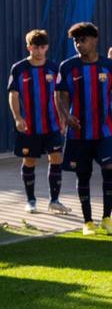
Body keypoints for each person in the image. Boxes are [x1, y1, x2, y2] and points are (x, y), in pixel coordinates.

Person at [55, 22, 112, 235]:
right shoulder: (67, 66)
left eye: (82, 40)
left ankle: (108, 218)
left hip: (105, 131)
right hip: (79, 133)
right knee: (83, 175)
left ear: (94, 40)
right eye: (75, 41)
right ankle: (87, 222)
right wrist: (66, 116)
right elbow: (60, 95)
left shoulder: (111, 66)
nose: (78, 44)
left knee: (110, 169)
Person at [8, 29, 67, 215]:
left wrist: (63, 118)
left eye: (42, 47)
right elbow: (13, 95)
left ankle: (54, 200)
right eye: (35, 47)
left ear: (47, 47)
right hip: (29, 125)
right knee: (29, 160)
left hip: (52, 124)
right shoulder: (18, 68)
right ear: (29, 47)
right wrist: (18, 117)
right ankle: (31, 200)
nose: (39, 51)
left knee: (56, 158)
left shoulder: (53, 67)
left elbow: (61, 94)